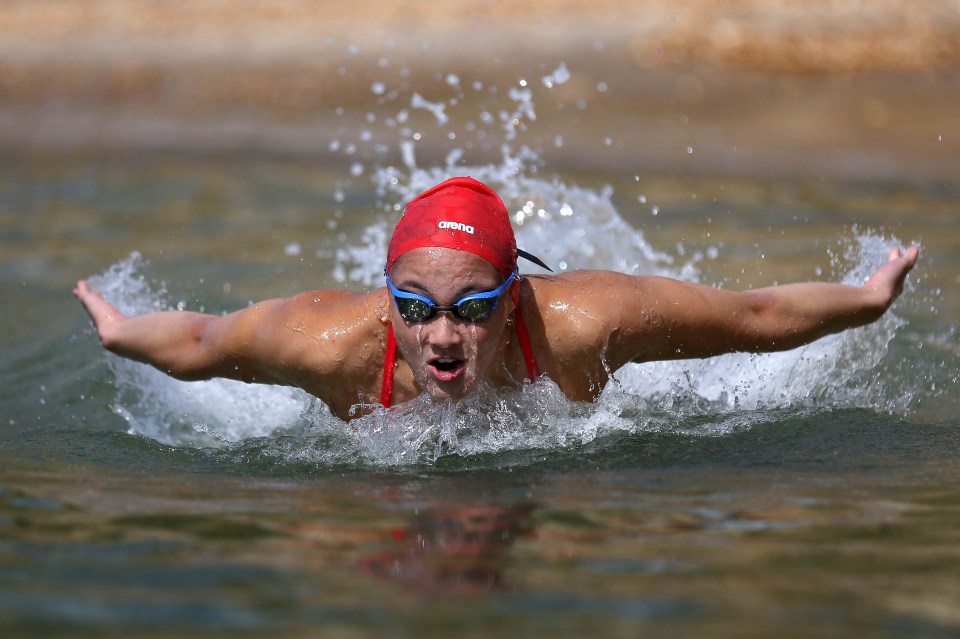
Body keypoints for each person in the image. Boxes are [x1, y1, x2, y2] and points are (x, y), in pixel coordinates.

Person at [74, 176, 920, 421]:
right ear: (388, 298)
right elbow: (201, 342)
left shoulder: (587, 322)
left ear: (513, 298)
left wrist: (865, 299)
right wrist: (120, 333)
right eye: (417, 306)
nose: (442, 335)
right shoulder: (331, 343)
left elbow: (754, 317)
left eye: (472, 308)